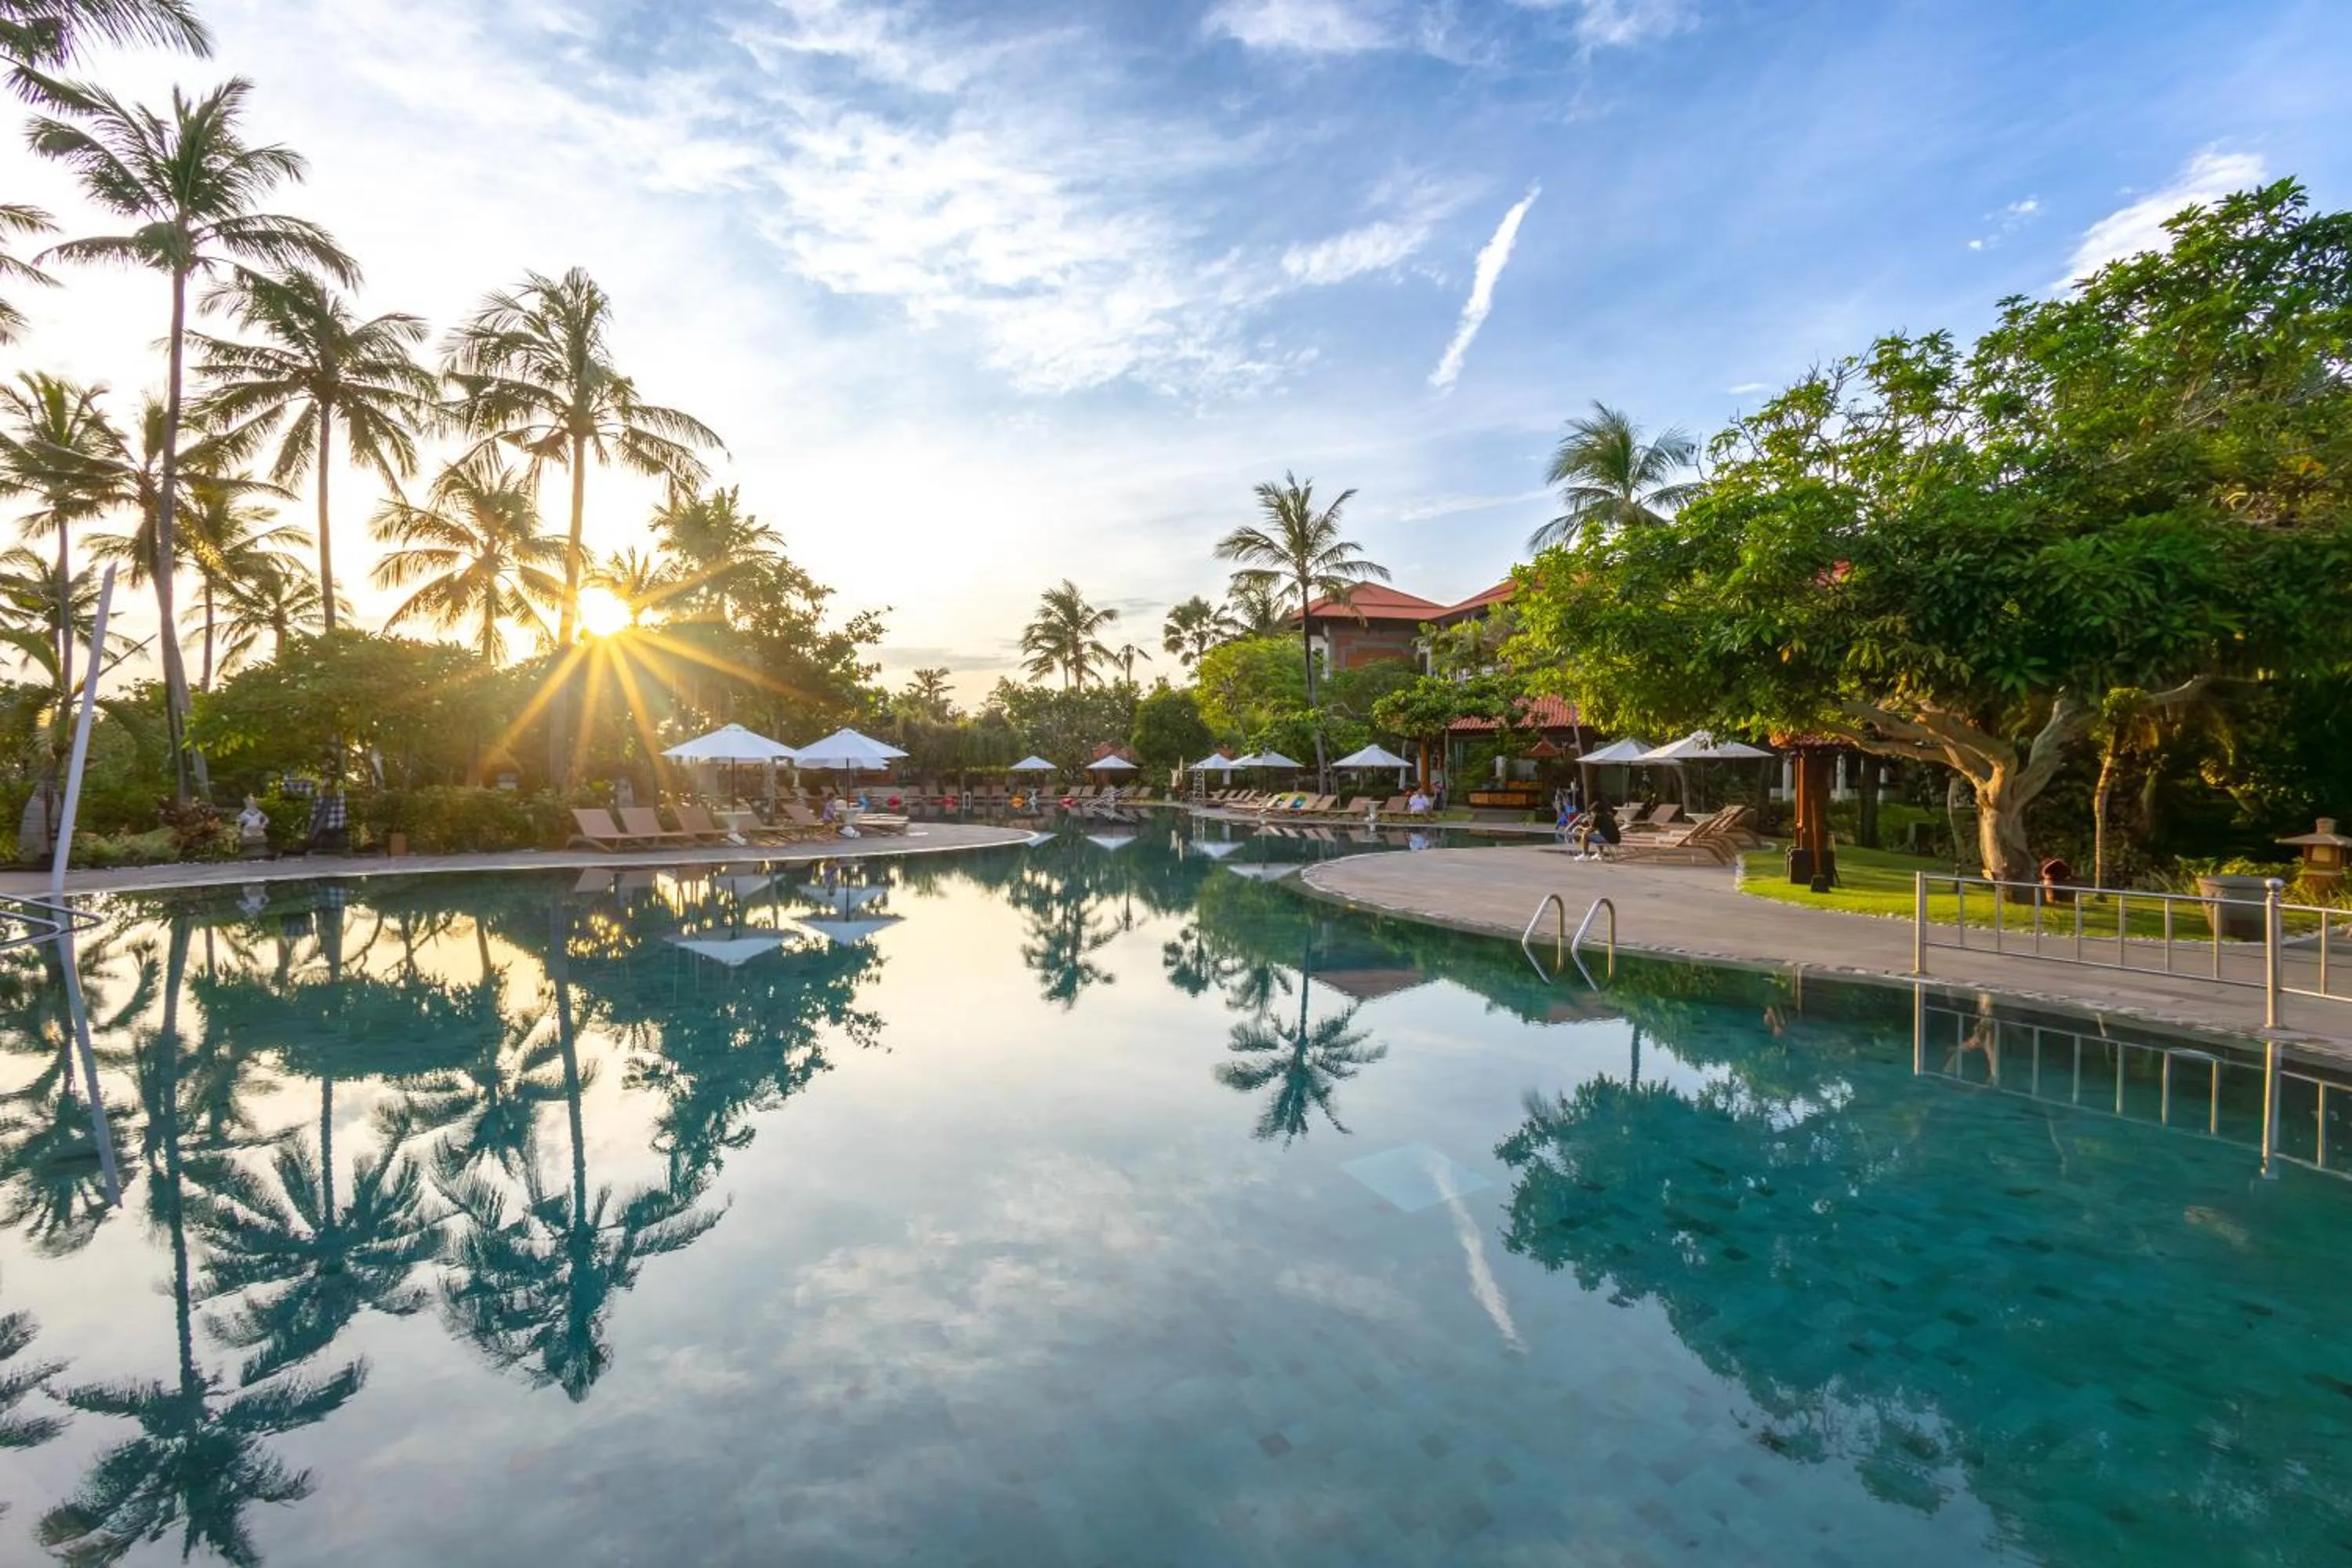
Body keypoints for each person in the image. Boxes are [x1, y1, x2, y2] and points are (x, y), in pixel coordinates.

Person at [305, 783, 347, 855]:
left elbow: (314, 816)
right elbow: (314, 815)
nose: (328, 792)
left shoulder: (338, 799)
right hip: (328, 828)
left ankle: (313, 842)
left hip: (333, 828)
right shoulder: (320, 800)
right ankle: (313, 843)